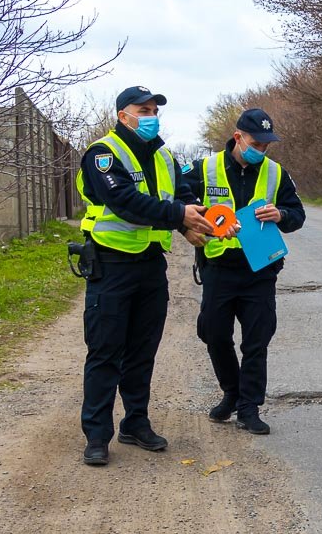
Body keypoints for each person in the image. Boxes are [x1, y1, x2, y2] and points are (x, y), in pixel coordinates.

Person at [75, 86, 220, 466]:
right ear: (124, 115)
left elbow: (184, 193)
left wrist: (194, 220)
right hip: (112, 265)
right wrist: (177, 217)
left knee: (142, 351)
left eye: (155, 109)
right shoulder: (103, 154)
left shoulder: (164, 154)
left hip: (150, 265)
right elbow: (123, 201)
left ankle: (135, 422)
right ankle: (96, 435)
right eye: (144, 109)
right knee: (106, 351)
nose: (152, 115)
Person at [184, 108, 306, 434]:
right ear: (238, 137)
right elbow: (179, 201)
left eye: (266, 145)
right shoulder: (204, 169)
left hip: (260, 269)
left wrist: (281, 213)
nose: (261, 150)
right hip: (219, 267)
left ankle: (249, 408)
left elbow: (297, 214)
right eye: (256, 143)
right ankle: (232, 392)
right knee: (213, 333)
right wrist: (195, 221)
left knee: (257, 339)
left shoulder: (276, 173)